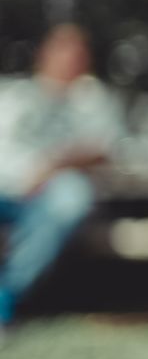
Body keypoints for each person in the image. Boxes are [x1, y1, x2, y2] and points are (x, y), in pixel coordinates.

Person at [0, 25, 124, 342]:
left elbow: (105, 149)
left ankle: (4, 300)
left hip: (50, 198)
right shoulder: (14, 94)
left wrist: (52, 166)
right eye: (62, 51)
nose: (70, 60)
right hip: (6, 188)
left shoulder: (92, 99)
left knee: (71, 196)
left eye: (78, 53)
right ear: (44, 55)